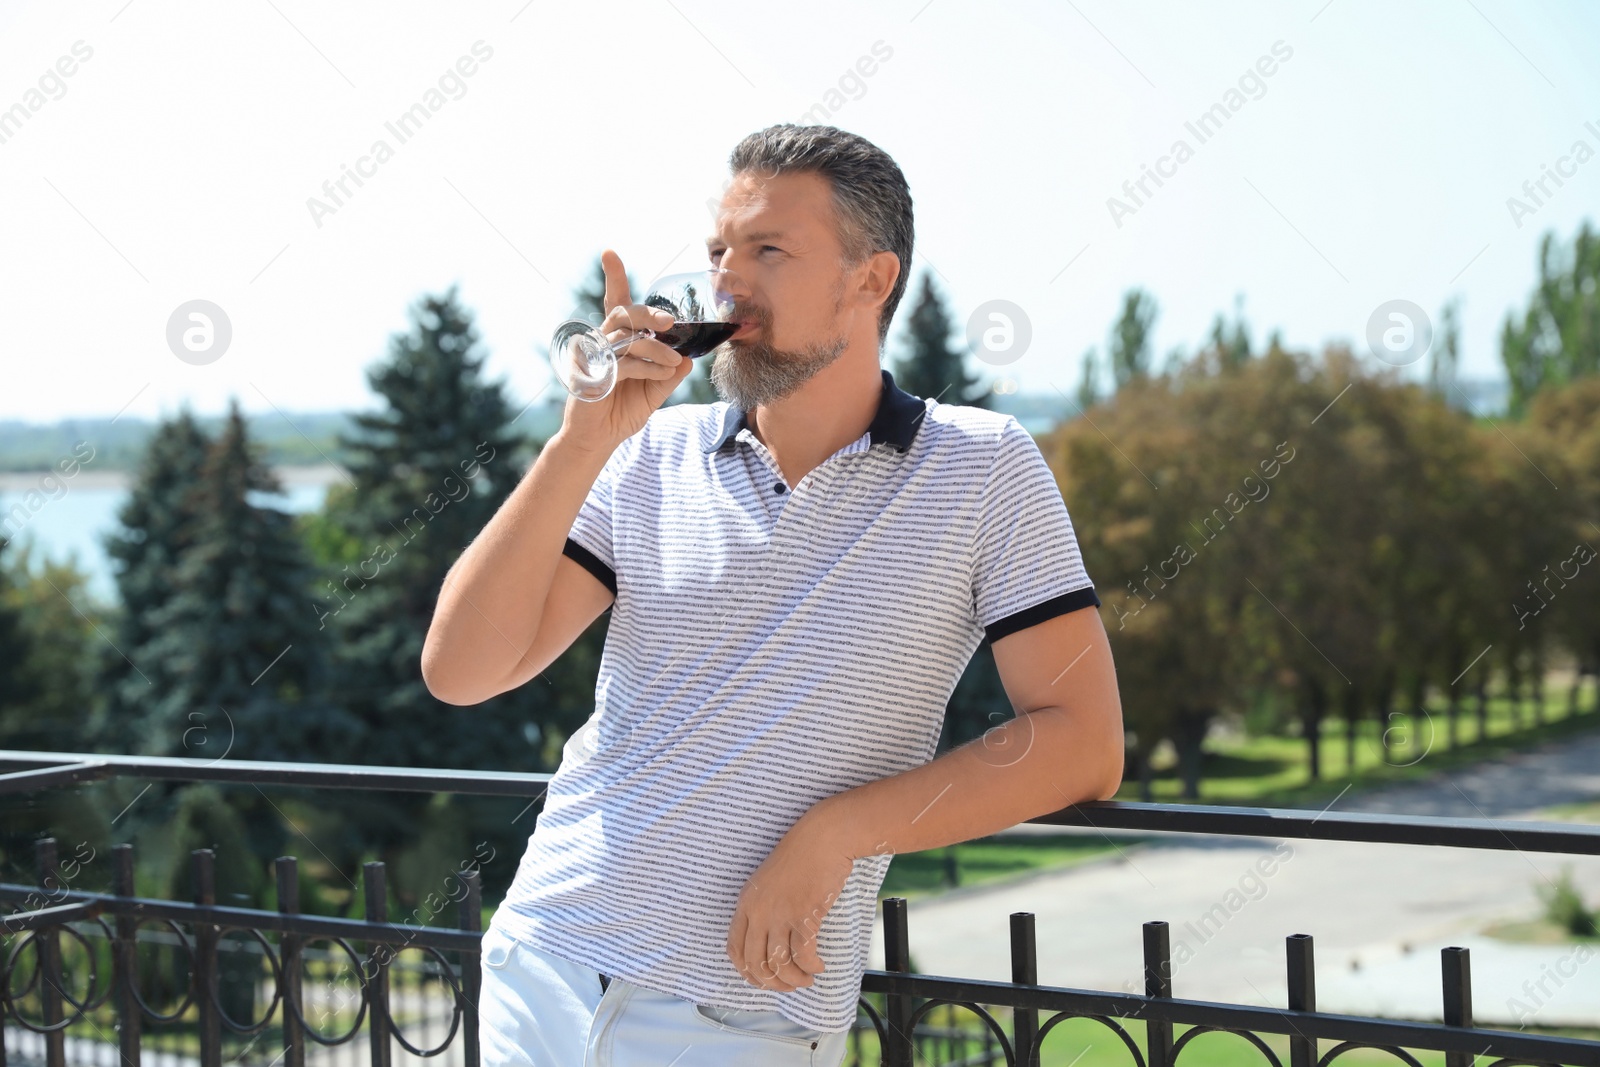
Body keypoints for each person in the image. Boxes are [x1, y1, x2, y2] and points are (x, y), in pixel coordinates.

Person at [421, 123, 1124, 1067]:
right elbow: (462, 670)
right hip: (541, 963)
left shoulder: (983, 470)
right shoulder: (650, 459)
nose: (726, 283)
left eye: (768, 251)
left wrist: (836, 834)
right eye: (719, 251)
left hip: (741, 1016)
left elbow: (1083, 742)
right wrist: (580, 443)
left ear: (871, 280)